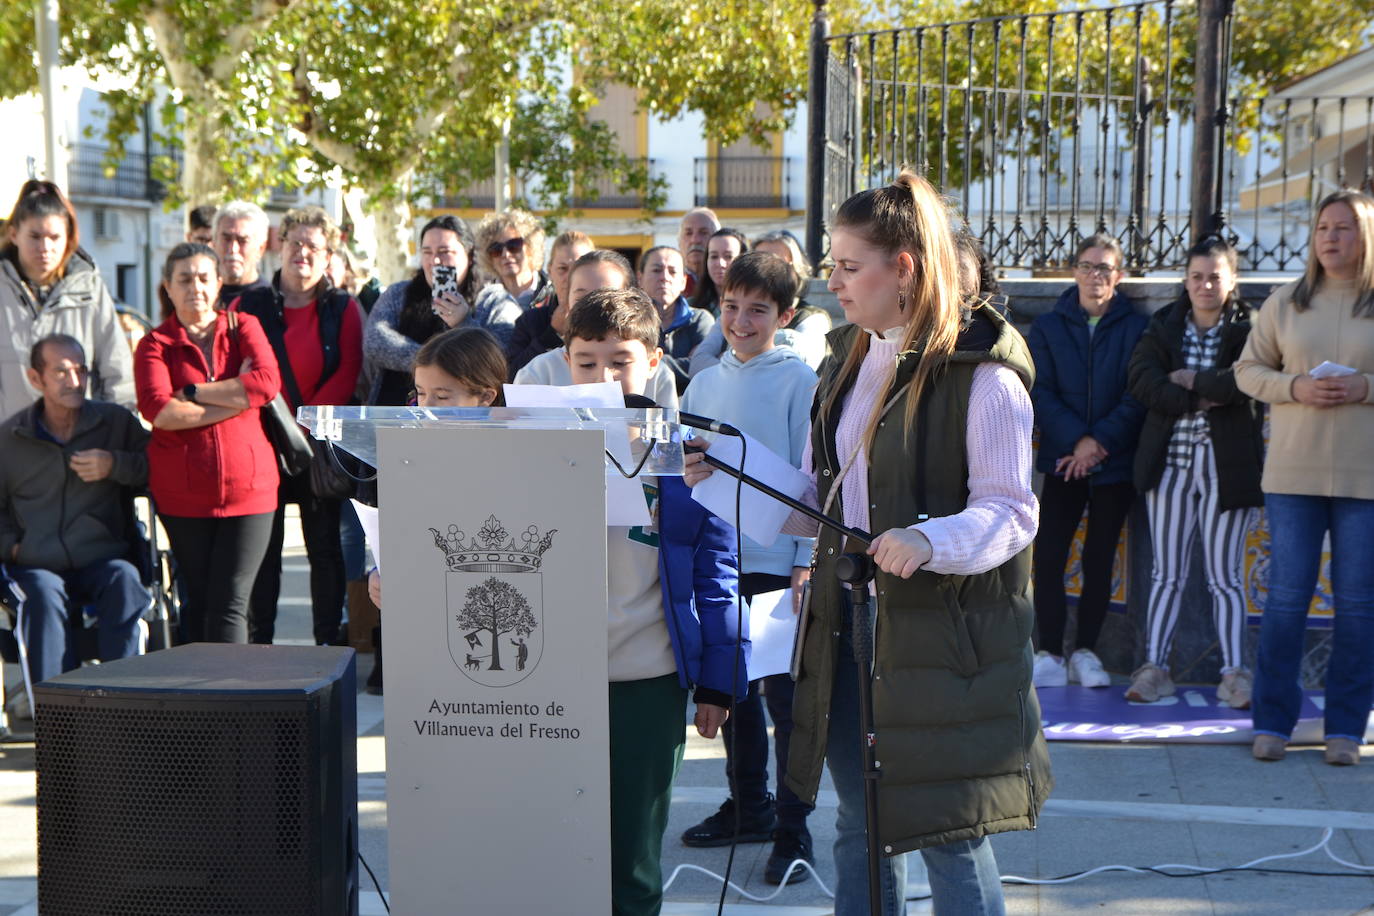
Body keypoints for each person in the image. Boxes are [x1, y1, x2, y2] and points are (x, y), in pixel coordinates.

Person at [686, 171, 1051, 916]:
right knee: (860, 821)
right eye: (834, 264)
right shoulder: (849, 357)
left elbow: (1012, 511)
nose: (834, 281)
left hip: (942, 642)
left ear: (904, 269)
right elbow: (828, 508)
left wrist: (929, 539)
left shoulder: (986, 377)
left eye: (850, 266)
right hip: (848, 627)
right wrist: (726, 477)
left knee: (950, 831)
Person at [564, 287, 745, 915]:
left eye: (620, 361)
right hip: (551, 678)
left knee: (632, 855)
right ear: (565, 363)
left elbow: (717, 573)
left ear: (653, 361)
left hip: (647, 679)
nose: (604, 377)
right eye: (587, 362)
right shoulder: (536, 444)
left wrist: (719, 681)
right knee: (555, 847)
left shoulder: (688, 455)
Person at [678, 252, 819, 884]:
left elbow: (812, 479)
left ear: (784, 316)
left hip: (777, 563)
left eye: (758, 310)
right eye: (731, 306)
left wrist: (804, 560)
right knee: (730, 692)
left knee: (785, 704)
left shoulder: (800, 381)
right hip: (718, 560)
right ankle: (748, 805)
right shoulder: (703, 381)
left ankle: (793, 829)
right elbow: (684, 468)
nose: (740, 320)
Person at [1235, 189, 1374, 767]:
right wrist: (1295, 387)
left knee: (1359, 607)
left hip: (1366, 482)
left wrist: (1365, 387)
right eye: (1322, 228)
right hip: (1293, 477)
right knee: (1286, 602)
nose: (1330, 238)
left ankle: (1346, 729)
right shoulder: (1285, 302)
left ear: (1366, 236)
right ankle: (1273, 722)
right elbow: (1247, 371)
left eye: (1343, 228)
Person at [1125, 237, 1263, 707]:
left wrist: (1192, 379)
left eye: (1215, 277)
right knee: (1166, 573)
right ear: (1185, 281)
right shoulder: (1165, 325)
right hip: (1170, 466)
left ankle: (1235, 674)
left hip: (1227, 467)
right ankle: (1154, 668)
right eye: (1197, 277)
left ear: (1232, 280)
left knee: (1226, 576)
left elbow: (1248, 381)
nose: (1205, 285)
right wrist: (1201, 397)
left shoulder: (1248, 329)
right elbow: (1142, 380)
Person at [134, 243, 282, 643]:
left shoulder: (243, 326)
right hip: (183, 496)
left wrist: (193, 392)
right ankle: (197, 684)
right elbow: (160, 411)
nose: (195, 287)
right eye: (184, 279)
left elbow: (267, 383)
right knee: (197, 601)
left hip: (250, 491)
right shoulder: (154, 345)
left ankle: (231, 684)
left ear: (218, 283)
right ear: (168, 287)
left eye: (203, 278)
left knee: (230, 603)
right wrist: (237, 397)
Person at [236, 206, 364, 647]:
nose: (302, 253)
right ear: (280, 246)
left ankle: (327, 647)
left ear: (328, 256)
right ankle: (261, 650)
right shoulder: (249, 304)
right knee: (264, 553)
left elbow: (349, 370)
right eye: (295, 242)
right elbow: (239, 368)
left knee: (324, 551)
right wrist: (279, 424)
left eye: (313, 246)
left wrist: (303, 426)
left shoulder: (343, 308)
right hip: (262, 444)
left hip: (317, 447)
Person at [1028, 233, 1147, 689]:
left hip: (1113, 463)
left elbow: (1137, 394)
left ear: (1118, 275)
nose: (1094, 275)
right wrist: (1078, 441)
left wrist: (1098, 444)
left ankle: (1086, 653)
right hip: (1064, 461)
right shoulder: (1049, 327)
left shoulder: (1137, 328)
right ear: (1074, 271)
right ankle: (1050, 652)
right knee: (1049, 556)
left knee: (1100, 559)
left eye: (1104, 268)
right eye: (1086, 266)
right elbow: (1040, 391)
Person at [363, 326, 507, 694]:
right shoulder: (408, 453)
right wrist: (379, 572)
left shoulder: (512, 457)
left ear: (485, 396)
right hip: (422, 628)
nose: (427, 407)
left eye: (442, 396)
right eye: (421, 394)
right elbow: (396, 530)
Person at [0, 334, 149, 686]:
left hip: (102, 557)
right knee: (41, 594)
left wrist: (115, 465)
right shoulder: (10, 439)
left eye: (81, 370)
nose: (75, 381)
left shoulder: (115, 424)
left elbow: (158, 469)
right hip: (36, 564)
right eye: (61, 371)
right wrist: (13, 547)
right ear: (35, 378)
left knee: (125, 580)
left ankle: (125, 705)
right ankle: (56, 714)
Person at [0, 180, 135, 420]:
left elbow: (117, 371)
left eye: (54, 237)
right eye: (34, 236)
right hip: (11, 436)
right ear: (14, 234)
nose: (45, 247)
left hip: (82, 435)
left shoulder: (89, 288)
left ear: (68, 238)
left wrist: (120, 430)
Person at [515, 250, 679, 408]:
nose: (604, 381)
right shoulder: (537, 373)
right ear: (566, 300)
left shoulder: (659, 376)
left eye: (620, 363)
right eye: (587, 365)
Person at [363, 215, 480, 406]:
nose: (435, 260)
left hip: (460, 416)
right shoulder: (399, 293)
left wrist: (464, 323)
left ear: (469, 255)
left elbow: (497, 355)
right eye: (427, 252)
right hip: (392, 410)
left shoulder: (491, 298)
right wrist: (431, 361)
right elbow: (375, 341)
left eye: (445, 252)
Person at [505, 229, 594, 377]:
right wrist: (552, 334)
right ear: (550, 271)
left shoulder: (610, 319)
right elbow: (511, 377)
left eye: (579, 268)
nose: (570, 277)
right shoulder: (531, 321)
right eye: (563, 269)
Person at [638, 246, 713, 394]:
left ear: (683, 281)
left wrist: (649, 363)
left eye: (672, 272)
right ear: (640, 278)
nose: (665, 277)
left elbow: (704, 368)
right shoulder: (631, 323)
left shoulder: (700, 320)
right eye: (656, 270)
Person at [471, 209, 550, 346]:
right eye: (496, 249)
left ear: (530, 248)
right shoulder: (483, 300)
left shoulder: (553, 295)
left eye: (514, 245)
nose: (505, 254)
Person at [212, 200, 272, 307]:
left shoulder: (271, 303)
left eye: (242, 241)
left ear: (261, 248)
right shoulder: (199, 296)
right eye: (226, 239)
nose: (233, 249)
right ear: (214, 243)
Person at [690, 227, 749, 317]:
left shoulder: (755, 305)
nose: (720, 263)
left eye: (728, 256)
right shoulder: (691, 308)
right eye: (714, 256)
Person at [677, 206, 720, 299]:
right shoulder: (668, 283)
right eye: (688, 233)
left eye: (704, 233)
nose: (695, 240)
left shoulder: (729, 283)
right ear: (679, 242)